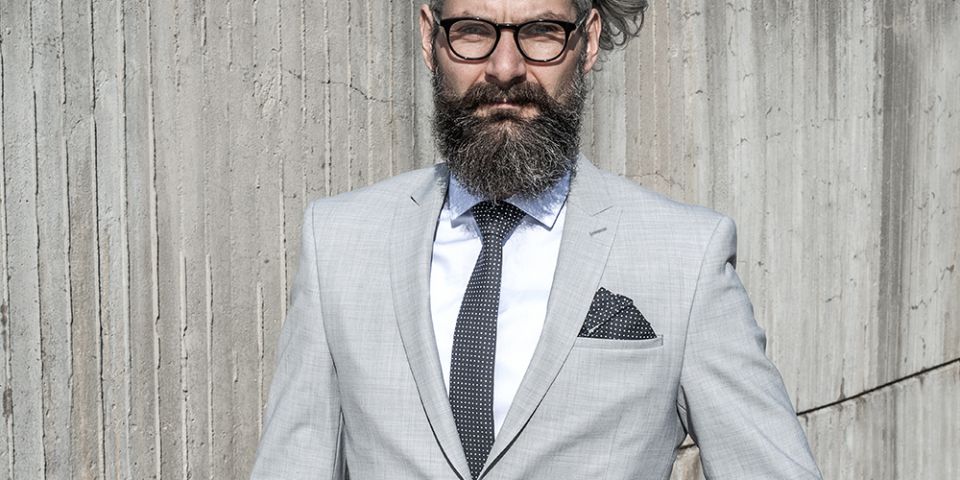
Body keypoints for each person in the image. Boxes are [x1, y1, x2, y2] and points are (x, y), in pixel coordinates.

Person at [251, 0, 822, 478]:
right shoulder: (338, 242)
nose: (504, 67)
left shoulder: (686, 257)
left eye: (541, 32)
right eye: (472, 32)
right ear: (430, 39)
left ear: (588, 40)